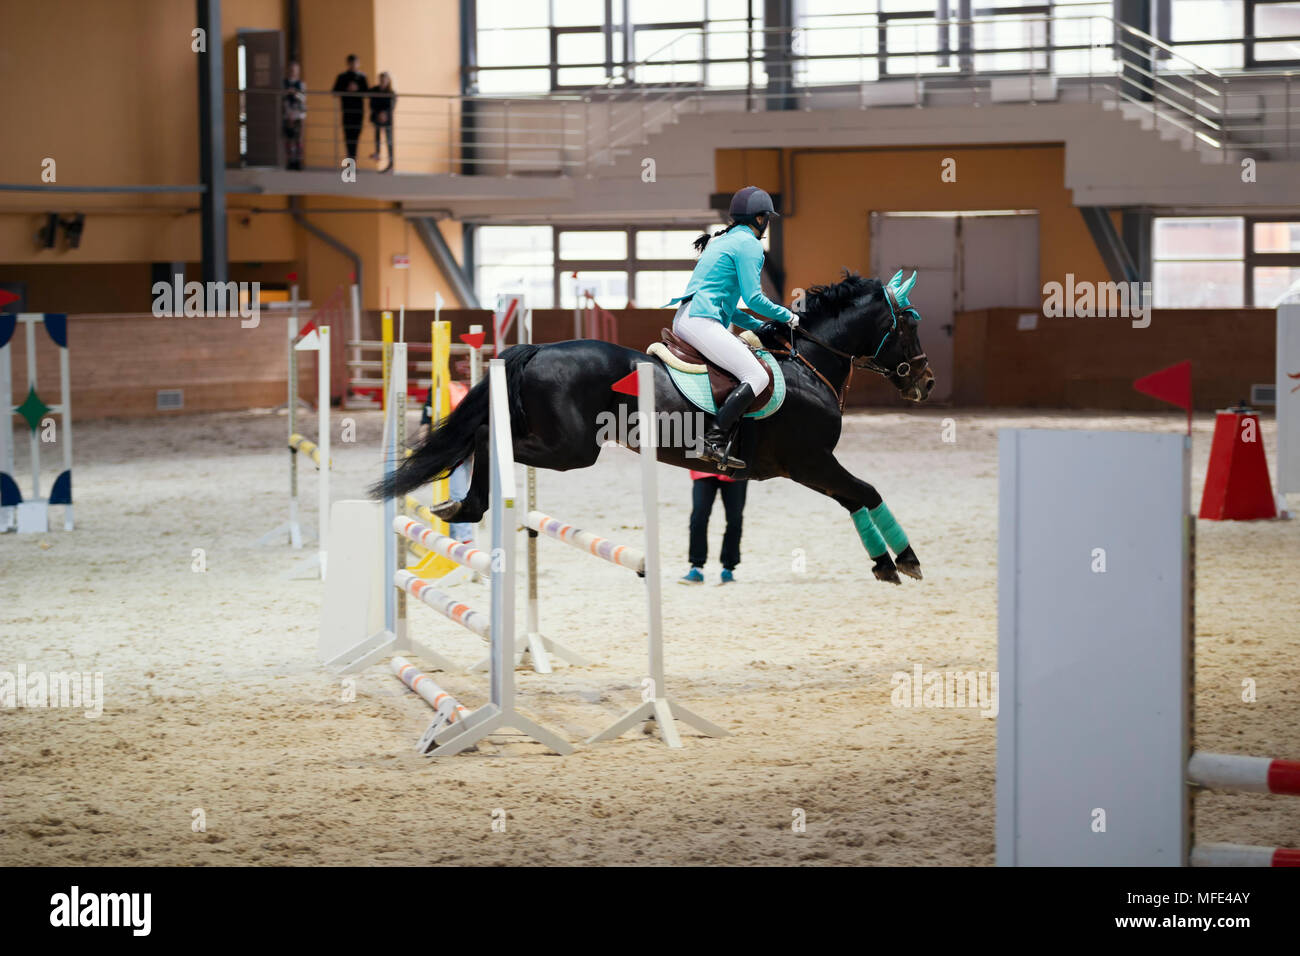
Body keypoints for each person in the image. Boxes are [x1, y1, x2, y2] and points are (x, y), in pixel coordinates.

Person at [666, 186, 797, 471]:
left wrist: (760, 324)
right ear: (760, 219)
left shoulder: (723, 240)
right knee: (756, 375)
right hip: (701, 321)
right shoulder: (749, 245)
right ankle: (713, 439)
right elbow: (754, 298)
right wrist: (787, 316)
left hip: (691, 318)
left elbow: (733, 307)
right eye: (768, 219)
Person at [680, 470, 748, 585]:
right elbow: (689, 453)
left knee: (735, 520)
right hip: (703, 469)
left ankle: (728, 568)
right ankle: (696, 567)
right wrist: (695, 456)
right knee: (698, 518)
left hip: (735, 470)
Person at [331, 54, 368, 163]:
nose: (353, 65)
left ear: (358, 64)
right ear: (348, 64)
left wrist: (357, 89)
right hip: (347, 111)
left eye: (355, 63)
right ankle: (351, 163)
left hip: (358, 112)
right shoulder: (342, 77)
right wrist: (346, 89)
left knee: (356, 137)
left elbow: (367, 92)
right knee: (348, 137)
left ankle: (353, 162)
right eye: (351, 63)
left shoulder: (362, 77)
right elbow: (334, 91)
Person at [368, 72, 396, 173]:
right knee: (377, 137)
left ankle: (391, 164)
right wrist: (378, 114)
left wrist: (384, 114)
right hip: (377, 118)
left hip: (387, 120)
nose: (382, 81)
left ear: (388, 81)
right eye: (381, 79)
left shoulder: (391, 92)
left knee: (389, 141)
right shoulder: (375, 90)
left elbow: (391, 106)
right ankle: (377, 153)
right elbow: (372, 103)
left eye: (384, 79)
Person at [282, 62, 306, 171]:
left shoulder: (301, 84)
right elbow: (283, 99)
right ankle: (290, 161)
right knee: (289, 138)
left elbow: (303, 98)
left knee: (299, 139)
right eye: (292, 69)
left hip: (299, 115)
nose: (293, 72)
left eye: (296, 70)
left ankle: (298, 161)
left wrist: (295, 93)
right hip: (288, 115)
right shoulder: (284, 83)